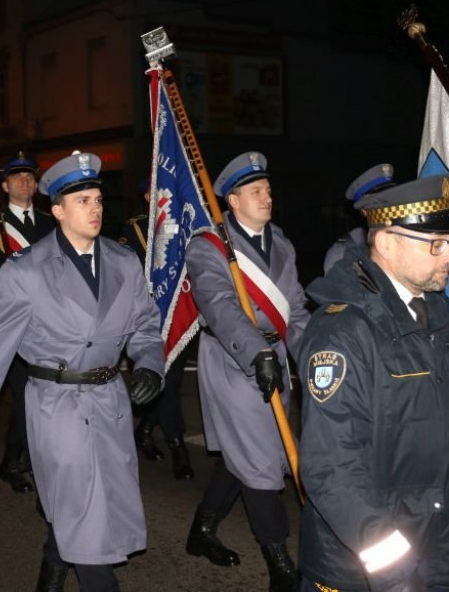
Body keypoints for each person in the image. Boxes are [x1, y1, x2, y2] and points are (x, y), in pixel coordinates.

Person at [0, 151, 164, 591]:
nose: (96, 208)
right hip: (58, 407)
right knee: (88, 526)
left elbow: (145, 325)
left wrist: (149, 365)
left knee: (95, 509)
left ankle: (50, 575)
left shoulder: (123, 262)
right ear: (58, 210)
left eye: (98, 199)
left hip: (111, 404)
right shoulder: (27, 272)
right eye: (83, 201)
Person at [298, 174, 449, 591]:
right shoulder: (343, 332)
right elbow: (331, 469)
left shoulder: (433, 316)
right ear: (386, 243)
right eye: (435, 244)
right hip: (374, 570)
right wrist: (396, 575)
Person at [182, 152, 309, 591]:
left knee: (251, 454)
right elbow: (219, 308)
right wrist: (257, 352)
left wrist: (312, 357)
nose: (267, 197)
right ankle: (280, 565)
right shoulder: (208, 247)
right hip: (236, 363)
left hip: (276, 362)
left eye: (268, 189)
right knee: (260, 465)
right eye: (256, 191)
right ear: (232, 200)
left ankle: (201, 531)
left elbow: (294, 311)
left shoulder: (282, 244)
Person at [0, 151, 56, 494]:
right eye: (18, 177)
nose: (26, 182)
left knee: (46, 399)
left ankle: (18, 457)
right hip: (16, 327)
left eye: (30, 177)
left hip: (53, 326)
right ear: (5, 185)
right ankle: (16, 461)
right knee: (27, 396)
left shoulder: (51, 222)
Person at [118, 177, 194, 480]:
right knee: (167, 382)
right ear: (148, 196)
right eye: (154, 191)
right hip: (148, 322)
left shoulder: (182, 226)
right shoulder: (135, 227)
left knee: (169, 383)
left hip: (178, 317)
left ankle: (145, 428)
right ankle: (178, 445)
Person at [322, 163, 395, 274]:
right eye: (382, 202)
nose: (391, 206)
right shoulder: (343, 254)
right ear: (364, 210)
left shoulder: (406, 242)